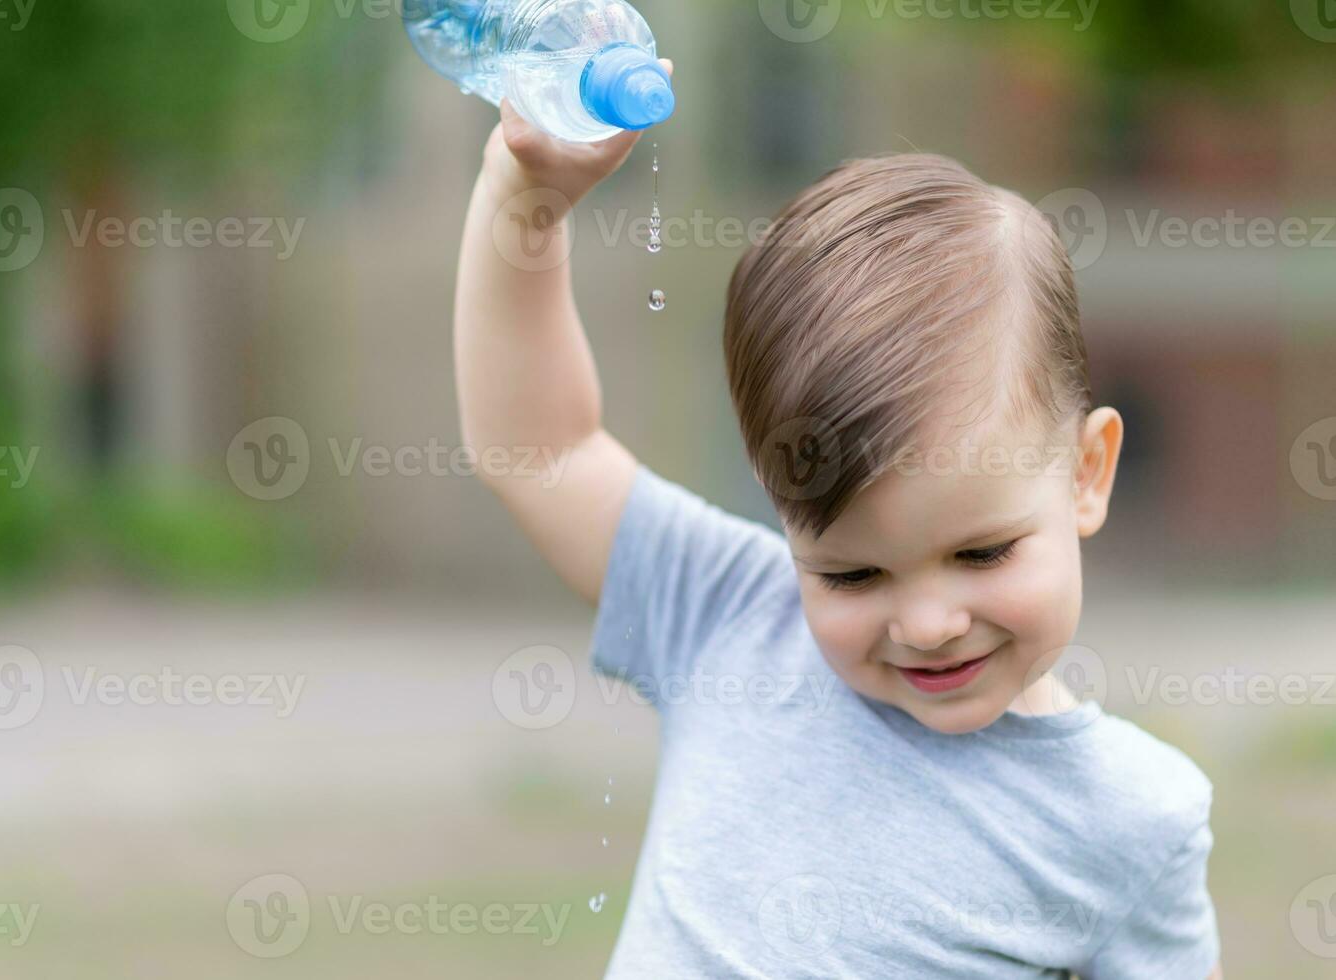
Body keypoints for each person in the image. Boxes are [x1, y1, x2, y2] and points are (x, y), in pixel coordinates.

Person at [452, 61, 1222, 978]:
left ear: (1087, 473)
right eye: (852, 574)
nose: (929, 624)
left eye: (982, 552)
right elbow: (541, 449)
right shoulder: (729, 615)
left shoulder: (1132, 819)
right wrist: (525, 199)